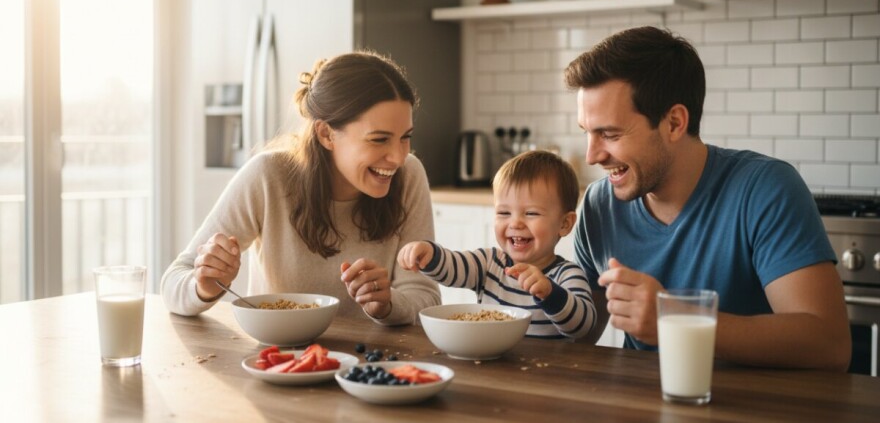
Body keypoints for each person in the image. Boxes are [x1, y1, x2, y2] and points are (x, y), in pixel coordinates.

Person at [564, 25, 851, 370]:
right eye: (587, 133)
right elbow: (580, 331)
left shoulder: (765, 189)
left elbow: (829, 346)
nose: (592, 156)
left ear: (673, 123)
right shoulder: (599, 205)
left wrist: (674, 319)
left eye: (608, 134)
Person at [161, 51, 440, 325]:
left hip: (373, 364)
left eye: (405, 137)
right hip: (279, 361)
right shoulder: (268, 176)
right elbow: (174, 281)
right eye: (379, 140)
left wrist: (388, 303)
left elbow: (425, 296)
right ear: (326, 134)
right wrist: (205, 285)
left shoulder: (408, 175)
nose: (398, 156)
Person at [398, 150, 597, 340]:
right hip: (491, 367)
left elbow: (582, 328)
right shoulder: (488, 263)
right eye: (504, 213)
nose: (515, 223)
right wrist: (429, 254)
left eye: (531, 213)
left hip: (544, 373)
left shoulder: (568, 275)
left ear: (564, 224)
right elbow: (452, 267)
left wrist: (550, 293)